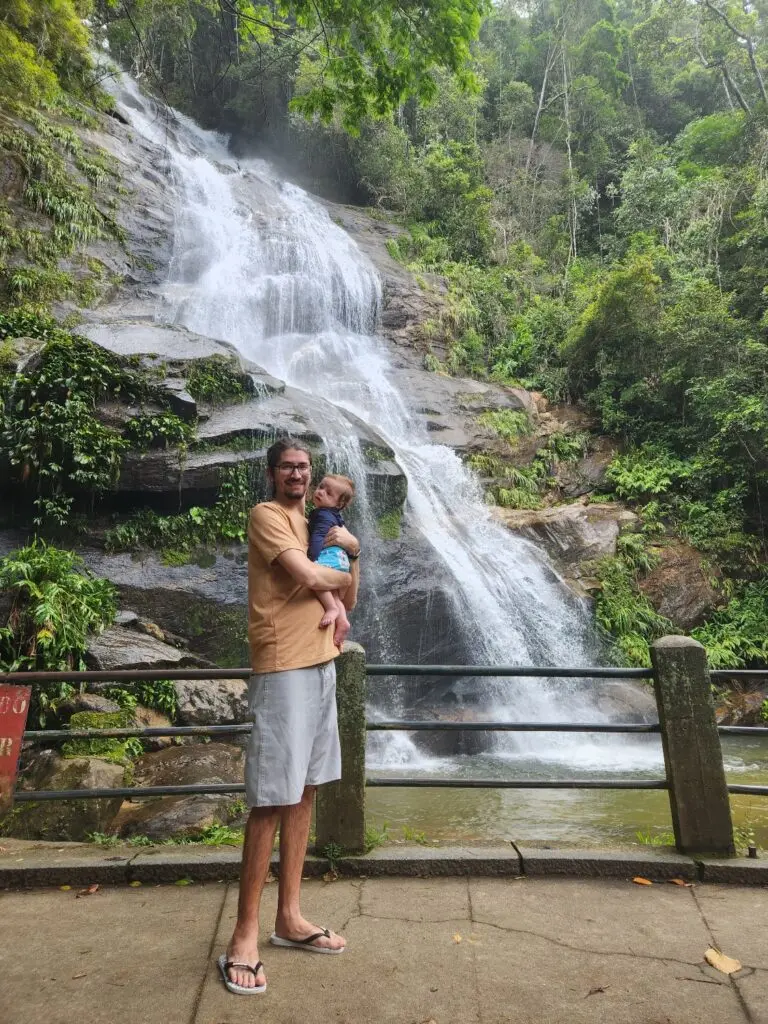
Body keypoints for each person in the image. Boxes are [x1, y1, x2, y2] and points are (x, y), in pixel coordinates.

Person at [219, 437, 361, 996]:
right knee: (271, 797)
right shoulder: (268, 516)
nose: (297, 475)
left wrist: (353, 553)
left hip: (322, 664)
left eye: (304, 467)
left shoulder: (320, 525)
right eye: (287, 467)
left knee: (304, 791)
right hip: (282, 668)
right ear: (273, 473)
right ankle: (244, 935)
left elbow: (348, 601)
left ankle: (290, 917)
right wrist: (343, 559)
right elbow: (312, 578)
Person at [307, 474, 356, 648]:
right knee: (334, 594)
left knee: (318, 582)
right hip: (341, 560)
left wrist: (311, 557)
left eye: (329, 493)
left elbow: (319, 535)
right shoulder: (334, 516)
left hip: (329, 557)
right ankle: (343, 621)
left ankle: (332, 609)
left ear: (339, 504)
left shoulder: (322, 515)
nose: (321, 492)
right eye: (321, 487)